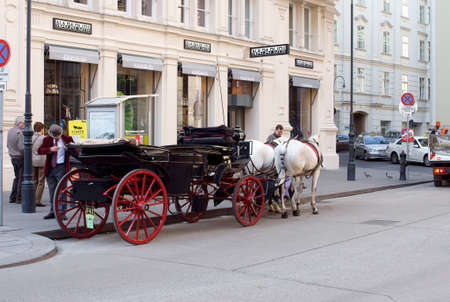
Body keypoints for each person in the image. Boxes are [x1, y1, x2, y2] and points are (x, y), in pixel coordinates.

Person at [38, 124, 74, 219]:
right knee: (52, 191)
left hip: (61, 167)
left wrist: (68, 149)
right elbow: (39, 150)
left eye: (57, 135)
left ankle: (62, 212)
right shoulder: (47, 139)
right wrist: (50, 149)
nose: (56, 137)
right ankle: (53, 211)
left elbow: (76, 150)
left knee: (62, 191)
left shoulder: (67, 139)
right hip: (50, 168)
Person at [7, 116, 25, 204]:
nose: (25, 125)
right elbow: (21, 147)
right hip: (20, 157)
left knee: (17, 177)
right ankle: (19, 198)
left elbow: (7, 145)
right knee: (21, 178)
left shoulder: (10, 131)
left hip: (13, 157)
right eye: (24, 123)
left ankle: (12, 197)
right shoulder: (20, 133)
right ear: (20, 123)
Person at [32, 122, 47, 207]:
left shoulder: (30, 137)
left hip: (33, 161)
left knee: (34, 180)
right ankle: (37, 200)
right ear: (41, 129)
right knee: (41, 181)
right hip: (41, 161)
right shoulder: (43, 138)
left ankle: (32, 198)